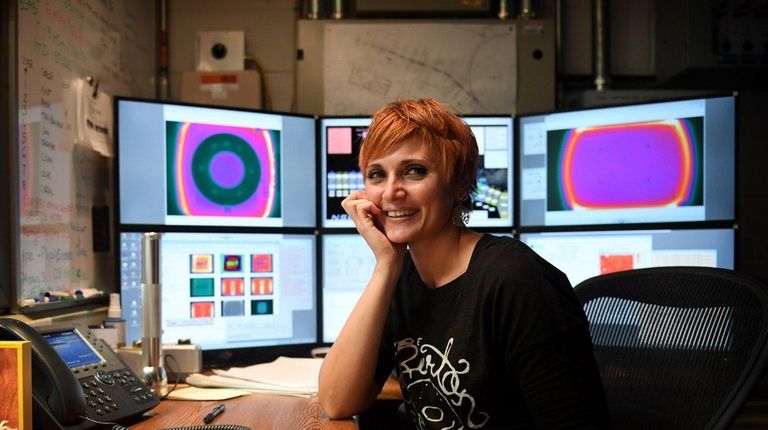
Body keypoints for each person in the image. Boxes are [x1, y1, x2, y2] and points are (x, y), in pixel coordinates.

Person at [317, 98, 611, 429]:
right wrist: (385, 267)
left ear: (458, 182)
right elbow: (337, 401)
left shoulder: (515, 278)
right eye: (377, 174)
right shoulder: (400, 277)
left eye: (415, 171)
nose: (391, 192)